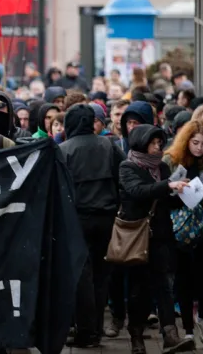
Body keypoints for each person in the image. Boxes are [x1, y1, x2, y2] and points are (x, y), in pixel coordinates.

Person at [119, 125, 194, 353]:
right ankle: (136, 337)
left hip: (161, 236)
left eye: (159, 143)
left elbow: (166, 200)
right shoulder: (127, 166)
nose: (157, 147)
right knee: (138, 289)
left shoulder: (161, 167)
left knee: (164, 286)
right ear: (142, 143)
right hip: (138, 236)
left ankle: (171, 335)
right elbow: (138, 191)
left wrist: (184, 193)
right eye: (153, 143)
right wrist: (167, 185)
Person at [58, 105, 124, 347]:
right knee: (101, 276)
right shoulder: (108, 146)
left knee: (81, 277)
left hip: (77, 220)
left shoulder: (64, 150)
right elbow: (123, 175)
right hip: (106, 218)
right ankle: (95, 329)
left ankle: (85, 331)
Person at [163, 120, 203, 342]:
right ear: (186, 140)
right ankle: (189, 330)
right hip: (180, 228)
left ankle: (201, 317)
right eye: (195, 142)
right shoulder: (172, 161)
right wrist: (176, 187)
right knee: (183, 278)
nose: (199, 148)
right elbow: (163, 195)